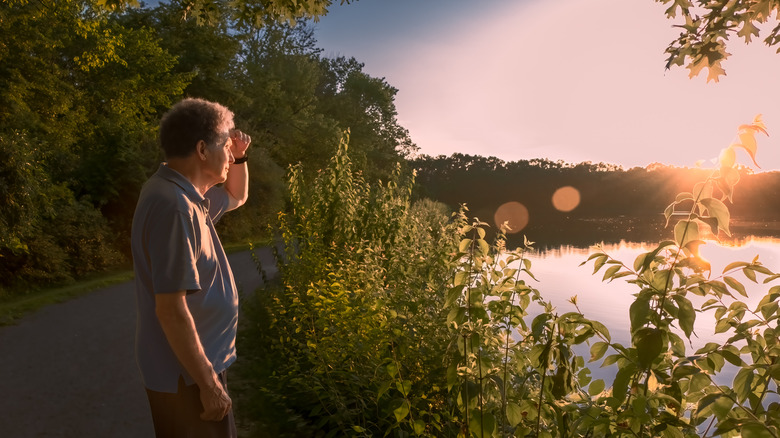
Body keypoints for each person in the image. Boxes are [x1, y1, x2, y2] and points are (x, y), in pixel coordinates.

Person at [131, 98, 251, 437]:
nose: (230, 156)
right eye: (226, 147)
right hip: (187, 377)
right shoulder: (175, 207)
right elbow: (170, 309)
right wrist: (208, 384)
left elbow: (237, 196)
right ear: (201, 149)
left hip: (193, 370)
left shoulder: (188, 196)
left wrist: (240, 155)